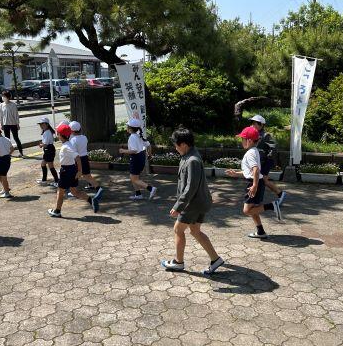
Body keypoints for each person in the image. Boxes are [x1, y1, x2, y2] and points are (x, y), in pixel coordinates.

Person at [160, 127, 224, 275]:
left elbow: (191, 187)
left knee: (178, 229)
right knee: (195, 231)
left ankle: (178, 262)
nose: (175, 147)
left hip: (192, 203)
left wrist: (178, 206)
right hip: (198, 201)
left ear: (183, 144)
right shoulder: (188, 155)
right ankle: (215, 259)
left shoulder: (192, 160)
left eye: (176, 144)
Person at [225, 126, 282, 238]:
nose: (241, 141)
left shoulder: (250, 153)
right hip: (257, 182)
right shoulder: (254, 151)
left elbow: (255, 170)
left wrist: (254, 186)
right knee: (253, 209)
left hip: (254, 183)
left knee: (247, 211)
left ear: (249, 141)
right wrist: (236, 173)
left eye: (243, 139)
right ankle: (261, 231)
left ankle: (272, 206)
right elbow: (250, 172)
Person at [48, 124, 101, 217]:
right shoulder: (69, 144)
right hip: (72, 169)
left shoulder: (66, 147)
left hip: (66, 171)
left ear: (61, 135)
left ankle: (57, 211)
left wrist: (80, 171)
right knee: (74, 191)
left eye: (58, 133)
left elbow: (77, 157)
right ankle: (91, 200)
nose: (57, 135)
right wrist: (78, 170)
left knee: (60, 191)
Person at [250, 115, 286, 205]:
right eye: (252, 123)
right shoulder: (255, 134)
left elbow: (273, 147)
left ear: (261, 125)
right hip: (259, 161)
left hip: (266, 161)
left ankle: (278, 194)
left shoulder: (266, 135)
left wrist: (267, 157)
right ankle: (279, 194)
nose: (252, 125)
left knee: (262, 180)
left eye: (255, 123)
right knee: (261, 180)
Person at [118, 118, 157, 200]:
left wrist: (123, 151)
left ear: (130, 128)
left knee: (134, 179)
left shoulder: (132, 137)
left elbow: (134, 151)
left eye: (127, 126)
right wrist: (149, 154)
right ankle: (138, 194)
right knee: (134, 177)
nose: (126, 128)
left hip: (136, 158)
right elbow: (148, 145)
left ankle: (151, 189)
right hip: (141, 157)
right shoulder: (139, 136)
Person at [69, 121, 103, 196]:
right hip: (85, 158)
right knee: (87, 176)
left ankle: (74, 191)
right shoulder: (84, 137)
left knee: (74, 175)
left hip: (78, 159)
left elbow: (74, 152)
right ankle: (98, 188)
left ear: (71, 131)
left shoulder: (73, 140)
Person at [0, 91, 23, 157]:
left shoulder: (13, 105)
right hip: (5, 124)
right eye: (2, 96)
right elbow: (1, 116)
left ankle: (21, 152)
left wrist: (17, 124)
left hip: (13, 124)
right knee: (7, 139)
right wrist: (1, 124)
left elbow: (16, 115)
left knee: (16, 138)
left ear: (8, 97)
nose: (3, 97)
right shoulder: (1, 105)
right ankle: (8, 152)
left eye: (4, 96)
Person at [36, 117, 59, 187]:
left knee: (50, 165)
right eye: (40, 124)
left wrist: (41, 145)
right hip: (48, 150)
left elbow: (45, 144)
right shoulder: (47, 131)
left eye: (42, 124)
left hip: (49, 150)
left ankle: (56, 181)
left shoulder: (47, 132)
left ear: (47, 124)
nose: (41, 126)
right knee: (44, 164)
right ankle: (44, 179)